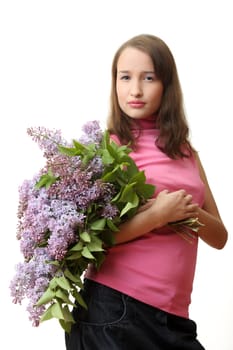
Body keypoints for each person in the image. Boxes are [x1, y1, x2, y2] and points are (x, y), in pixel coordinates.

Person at [65, 34, 228, 350]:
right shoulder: (107, 151)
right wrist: (158, 215)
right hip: (116, 311)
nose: (135, 90)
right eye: (125, 77)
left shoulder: (186, 153)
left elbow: (219, 237)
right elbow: (88, 240)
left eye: (148, 78)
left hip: (173, 319)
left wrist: (187, 210)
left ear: (166, 85)